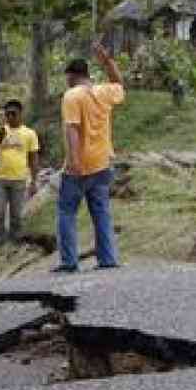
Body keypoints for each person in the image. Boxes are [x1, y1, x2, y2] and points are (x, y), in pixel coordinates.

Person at [55, 43, 125, 273]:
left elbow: (72, 129)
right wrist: (107, 62)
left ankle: (69, 262)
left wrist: (74, 162)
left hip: (80, 165)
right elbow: (119, 84)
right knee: (101, 212)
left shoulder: (72, 96)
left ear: (72, 76)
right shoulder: (104, 91)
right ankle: (107, 259)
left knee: (66, 212)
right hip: (102, 162)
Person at [0, 99, 40, 243]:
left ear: (20, 114)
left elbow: (33, 158)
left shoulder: (29, 133)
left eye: (13, 114)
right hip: (0, 179)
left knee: (16, 215)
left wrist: (34, 181)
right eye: (7, 114)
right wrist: (0, 139)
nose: (10, 117)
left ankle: (15, 242)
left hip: (19, 179)